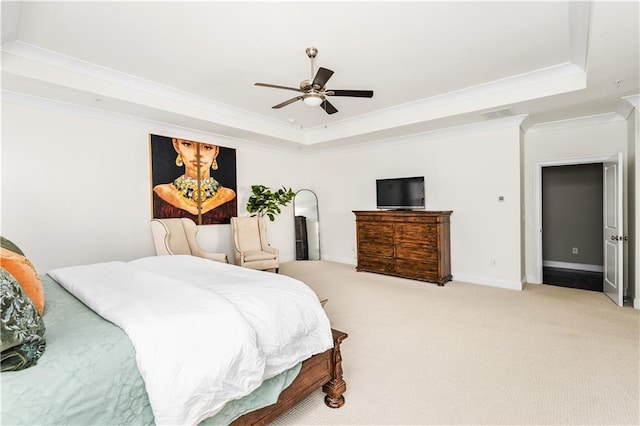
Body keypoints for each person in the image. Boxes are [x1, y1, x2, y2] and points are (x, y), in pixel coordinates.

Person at [153, 138, 236, 224]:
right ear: (176, 145)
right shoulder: (160, 193)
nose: (198, 154)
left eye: (207, 147)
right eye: (188, 144)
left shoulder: (229, 196)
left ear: (216, 151)